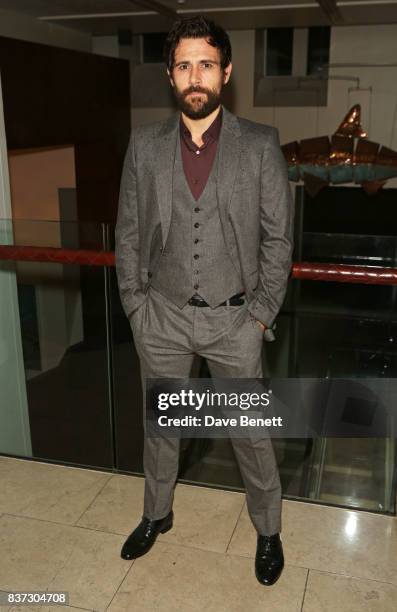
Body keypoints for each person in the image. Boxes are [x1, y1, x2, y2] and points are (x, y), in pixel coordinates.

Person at [115, 15, 294, 586]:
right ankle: (156, 514)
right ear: (171, 76)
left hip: (235, 318)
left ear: (227, 72)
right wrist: (138, 311)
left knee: (251, 433)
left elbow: (278, 239)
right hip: (161, 317)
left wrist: (261, 312)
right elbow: (126, 232)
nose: (196, 76)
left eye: (207, 64)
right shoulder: (144, 145)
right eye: (185, 65)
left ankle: (268, 529)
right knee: (161, 429)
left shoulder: (260, 144)